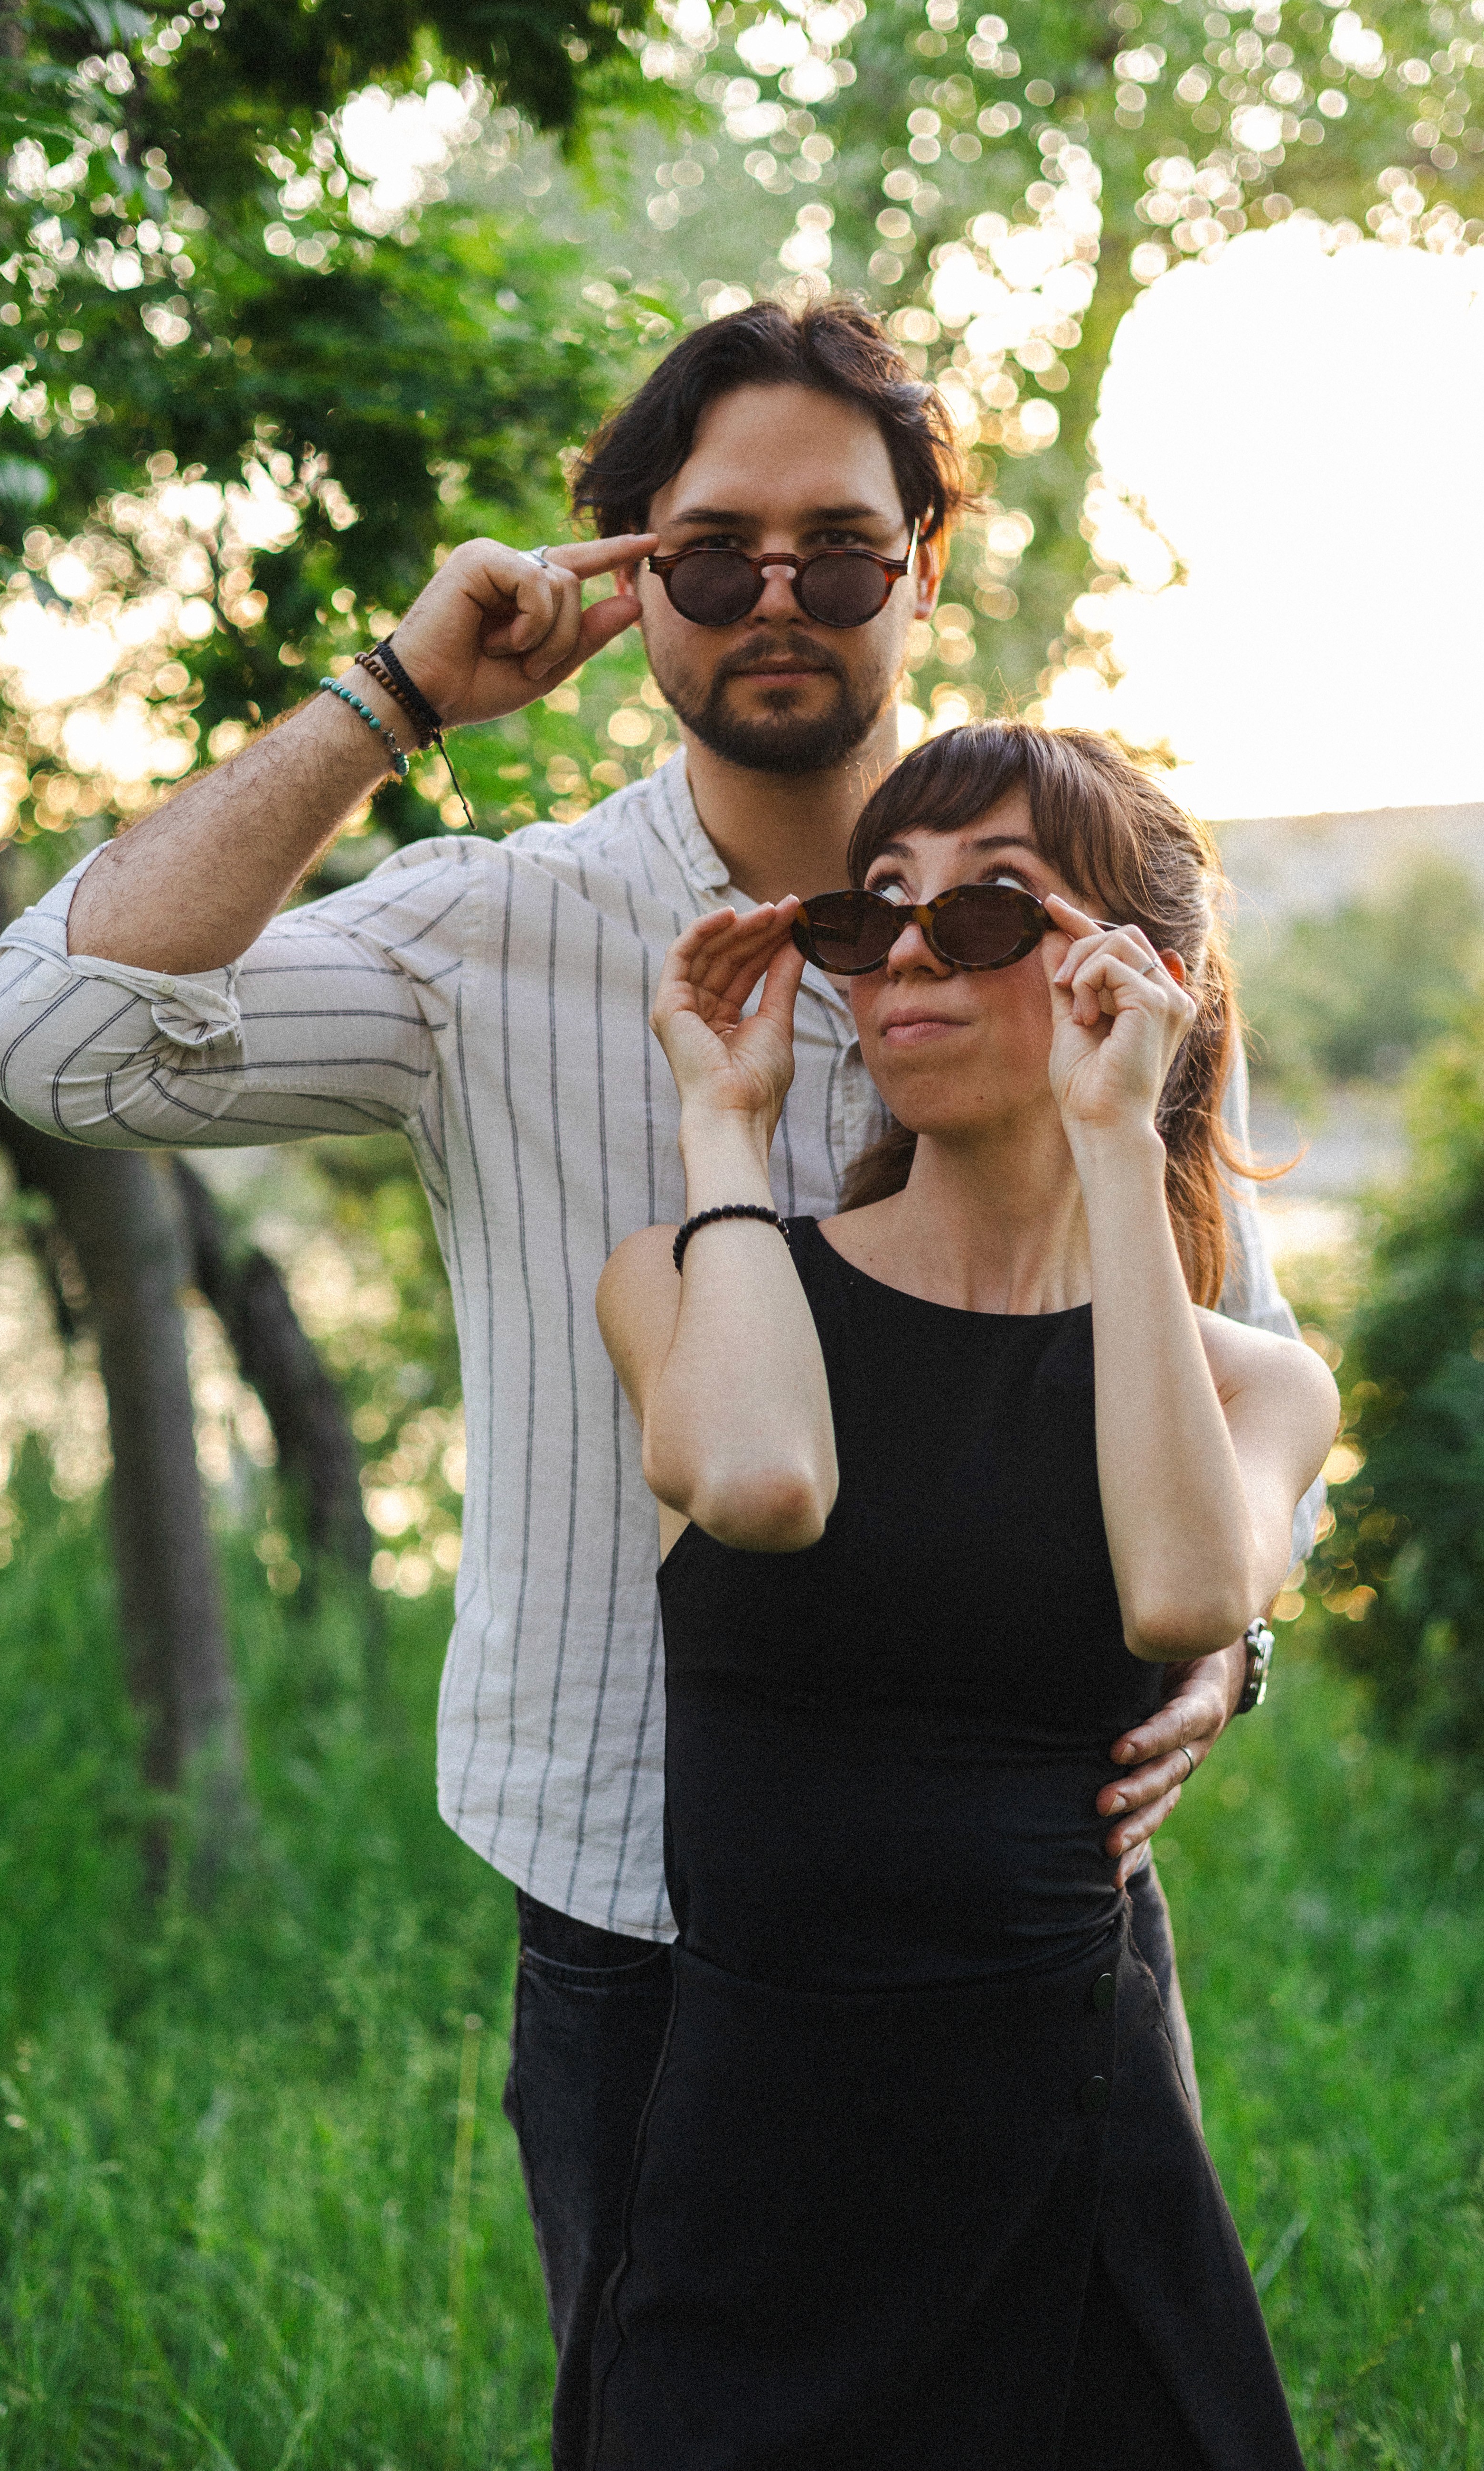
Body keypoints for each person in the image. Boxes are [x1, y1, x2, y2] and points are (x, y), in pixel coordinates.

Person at [0, 302, 1318, 2466]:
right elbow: (54, 1042)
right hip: (643, 1904)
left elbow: (1224, 1313)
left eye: (840, 550)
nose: (778, 597)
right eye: (714, 552)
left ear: (927, 573)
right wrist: (393, 699)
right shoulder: (482, 938)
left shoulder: (1070, 932)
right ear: (630, 580)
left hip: (1020, 1906)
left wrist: (1223, 1639)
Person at [592, 721, 1337, 2469]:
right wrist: (725, 1114)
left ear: (1132, 978)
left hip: (1069, 2139)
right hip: (757, 2146)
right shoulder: (691, 1273)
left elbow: (1179, 1591)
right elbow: (767, 1484)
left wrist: (1111, 1136)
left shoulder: (1253, 1384)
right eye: (871, 915)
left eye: (991, 910)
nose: (910, 951)